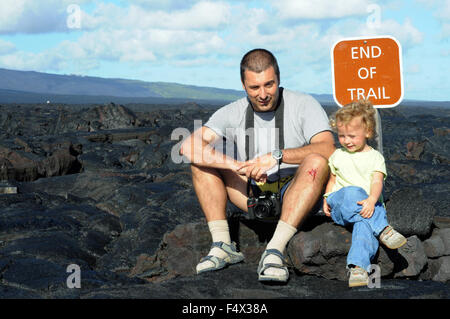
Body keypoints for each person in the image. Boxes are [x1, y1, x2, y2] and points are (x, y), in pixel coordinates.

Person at [179, 48, 335, 283]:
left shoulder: (304, 104)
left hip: (297, 193)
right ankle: (222, 245)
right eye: (254, 88)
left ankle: (275, 251)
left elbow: (328, 148)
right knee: (201, 162)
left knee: (316, 161)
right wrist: (235, 165)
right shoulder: (233, 111)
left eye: (269, 85)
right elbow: (187, 147)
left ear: (279, 79)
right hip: (253, 194)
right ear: (243, 86)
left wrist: (277, 156)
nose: (263, 94)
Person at [323, 99, 407, 288]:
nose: (346, 141)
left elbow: (377, 181)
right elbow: (333, 180)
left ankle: (358, 268)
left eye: (352, 136)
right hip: (341, 205)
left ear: (368, 132)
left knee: (363, 228)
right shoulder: (338, 155)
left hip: (366, 209)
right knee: (353, 192)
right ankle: (384, 229)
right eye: (342, 136)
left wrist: (371, 200)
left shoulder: (375, 157)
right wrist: (326, 198)